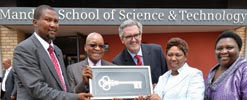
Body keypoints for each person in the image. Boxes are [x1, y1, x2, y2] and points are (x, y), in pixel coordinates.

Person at [12, 5, 92, 100]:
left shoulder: (57, 50)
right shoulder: (24, 49)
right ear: (35, 22)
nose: (53, 25)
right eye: (48, 20)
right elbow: (37, 89)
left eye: (56, 21)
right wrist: (75, 98)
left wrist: (83, 83)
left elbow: (64, 90)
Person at [112, 19, 168, 85]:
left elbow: (166, 76)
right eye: (129, 36)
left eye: (136, 35)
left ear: (140, 36)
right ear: (122, 40)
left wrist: (159, 87)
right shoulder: (117, 62)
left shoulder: (156, 51)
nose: (133, 40)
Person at [204, 31, 247, 100]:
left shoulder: (244, 69)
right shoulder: (212, 72)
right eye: (219, 48)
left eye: (229, 48)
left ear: (239, 49)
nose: (223, 51)